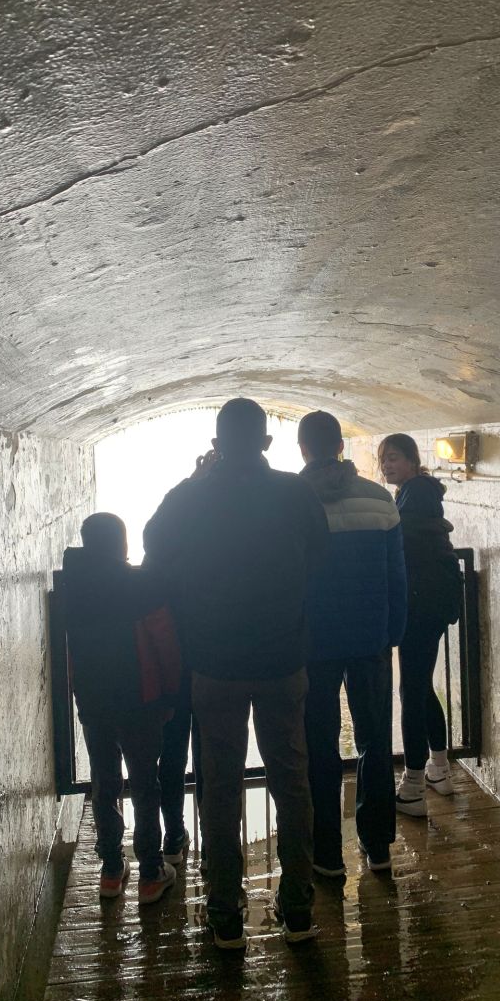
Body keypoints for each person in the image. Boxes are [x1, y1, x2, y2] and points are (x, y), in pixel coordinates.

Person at [143, 398, 328, 950]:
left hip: (216, 665)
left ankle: (226, 915)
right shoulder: (295, 493)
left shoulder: (191, 494)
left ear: (219, 443)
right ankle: (296, 910)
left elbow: (155, 548)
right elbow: (318, 556)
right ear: (267, 443)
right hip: (282, 661)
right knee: (292, 783)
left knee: (219, 787)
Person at [297, 411, 406, 875]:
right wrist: (391, 635)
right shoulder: (380, 499)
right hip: (369, 640)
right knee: (374, 740)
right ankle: (377, 844)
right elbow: (397, 579)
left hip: (312, 644)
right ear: (341, 445)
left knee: (318, 746)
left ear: (303, 448)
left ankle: (326, 854)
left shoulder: (292, 504)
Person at [61, 512, 180, 903]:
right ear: (121, 543)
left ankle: (111, 871)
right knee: (146, 785)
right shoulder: (139, 585)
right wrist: (170, 694)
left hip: (94, 702)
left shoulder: (72, 585)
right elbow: (163, 643)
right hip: (140, 701)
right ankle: (150, 873)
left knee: (104, 783)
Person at [378, 435, 462, 817]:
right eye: (383, 460)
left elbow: (402, 539)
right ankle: (439, 770)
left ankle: (412, 787)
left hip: (421, 603)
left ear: (412, 460)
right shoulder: (416, 492)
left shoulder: (417, 494)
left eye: (393, 458)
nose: (386, 465)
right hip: (431, 602)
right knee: (420, 685)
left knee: (410, 689)